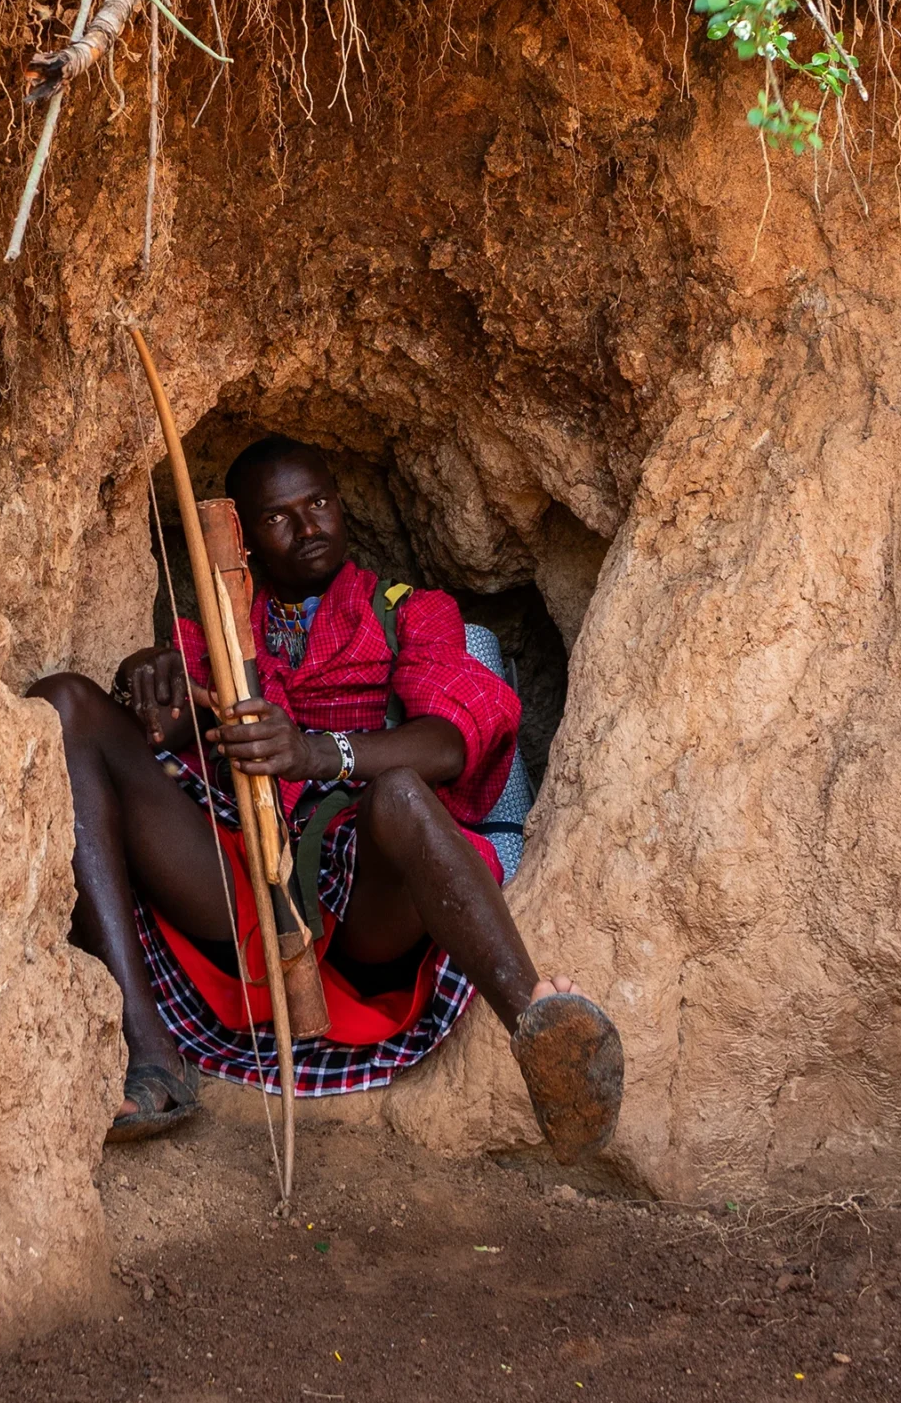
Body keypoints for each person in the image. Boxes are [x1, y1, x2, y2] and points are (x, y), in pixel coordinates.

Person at [30, 434, 623, 1156]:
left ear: (340, 506)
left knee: (400, 794)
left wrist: (315, 753)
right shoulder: (216, 632)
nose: (308, 527)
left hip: (369, 902)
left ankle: (537, 1021)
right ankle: (149, 1052)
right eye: (279, 517)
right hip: (242, 892)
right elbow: (167, 713)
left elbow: (451, 738)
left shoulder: (407, 611)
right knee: (64, 701)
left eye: (317, 504)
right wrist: (145, 678)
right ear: (241, 540)